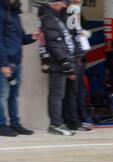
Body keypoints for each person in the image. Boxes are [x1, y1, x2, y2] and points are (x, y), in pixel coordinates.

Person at [39, 0, 77, 136]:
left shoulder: (55, 18)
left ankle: (58, 122)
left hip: (60, 61)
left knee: (59, 95)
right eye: (63, 3)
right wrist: (65, 61)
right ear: (55, 3)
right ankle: (56, 124)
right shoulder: (49, 18)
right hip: (57, 63)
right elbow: (53, 43)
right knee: (56, 95)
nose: (65, 6)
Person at [0, 0, 36, 137]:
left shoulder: (15, 14)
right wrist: (3, 64)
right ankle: (1, 125)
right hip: (5, 62)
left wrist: (33, 37)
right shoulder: (1, 12)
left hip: (16, 61)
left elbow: (20, 38)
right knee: (2, 95)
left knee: (14, 96)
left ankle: (15, 124)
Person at [65, 0, 92, 131]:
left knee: (80, 90)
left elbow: (78, 33)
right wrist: (77, 56)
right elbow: (71, 37)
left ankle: (82, 118)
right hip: (75, 58)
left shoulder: (77, 12)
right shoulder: (70, 12)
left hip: (80, 57)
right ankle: (74, 121)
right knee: (73, 92)